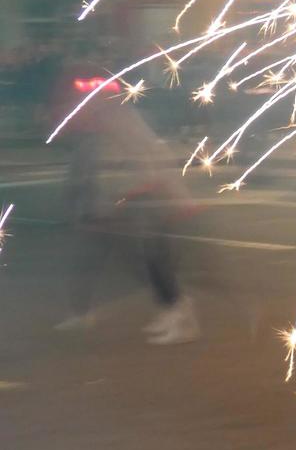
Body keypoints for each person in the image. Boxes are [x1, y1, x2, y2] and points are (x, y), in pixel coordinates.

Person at [52, 85, 201, 344]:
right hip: (117, 206)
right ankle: (170, 312)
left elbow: (151, 165)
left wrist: (177, 198)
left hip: (139, 204)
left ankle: (178, 313)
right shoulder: (101, 129)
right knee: (100, 260)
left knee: (152, 262)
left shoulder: (121, 124)